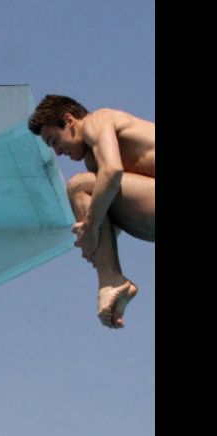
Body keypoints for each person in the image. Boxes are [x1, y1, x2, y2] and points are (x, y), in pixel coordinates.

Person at [28, 95, 154, 329]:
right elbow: (113, 222)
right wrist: (93, 245)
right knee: (92, 199)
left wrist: (91, 226)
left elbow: (113, 171)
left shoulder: (98, 120)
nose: (57, 152)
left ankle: (112, 280)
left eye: (54, 140)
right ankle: (112, 280)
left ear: (70, 120)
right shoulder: (93, 162)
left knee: (79, 186)